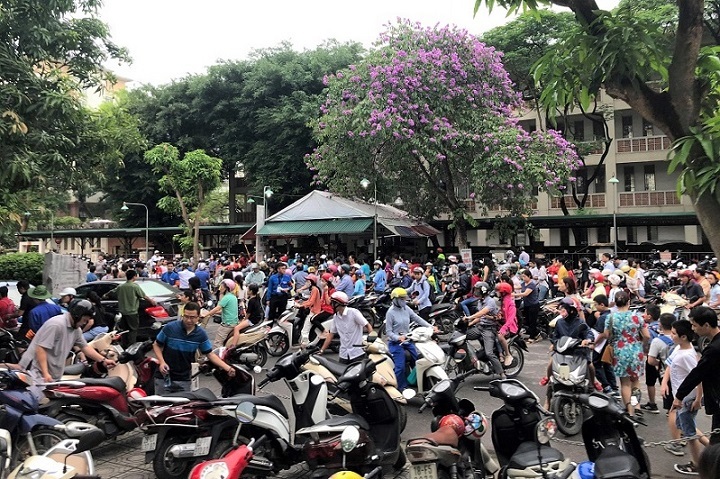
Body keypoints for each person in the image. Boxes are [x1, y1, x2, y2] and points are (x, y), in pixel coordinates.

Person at [18, 299, 116, 393]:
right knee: (34, 403)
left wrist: (103, 360)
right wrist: (45, 373)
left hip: (51, 373)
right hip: (35, 370)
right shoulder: (56, 325)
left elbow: (85, 347)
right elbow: (41, 349)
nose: (84, 323)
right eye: (84, 320)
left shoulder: (76, 330)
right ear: (77, 315)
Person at [153, 302, 236, 394]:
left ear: (198, 317)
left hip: (183, 380)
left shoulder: (200, 334)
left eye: (192, 317)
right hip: (163, 378)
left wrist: (228, 368)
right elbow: (156, 345)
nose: (189, 320)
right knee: (161, 406)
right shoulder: (170, 328)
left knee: (183, 407)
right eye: (186, 316)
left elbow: (210, 354)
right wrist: (162, 362)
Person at [662, 319, 707, 475]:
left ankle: (697, 465)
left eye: (674, 333)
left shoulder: (687, 355)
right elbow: (670, 366)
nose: (671, 335)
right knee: (688, 428)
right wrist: (664, 382)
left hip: (687, 399)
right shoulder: (679, 349)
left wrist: (698, 399)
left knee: (690, 434)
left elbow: (699, 377)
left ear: (683, 337)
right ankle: (711, 448)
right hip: (682, 398)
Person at [674, 306, 720, 446]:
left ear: (706, 325)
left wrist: (679, 396)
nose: (693, 329)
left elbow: (697, 374)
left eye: (694, 325)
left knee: (716, 446)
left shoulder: (713, 349)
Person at [600, 291, 650, 416]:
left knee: (625, 383)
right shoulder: (637, 317)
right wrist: (639, 343)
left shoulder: (611, 317)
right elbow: (647, 335)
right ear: (629, 302)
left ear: (615, 303)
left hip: (620, 351)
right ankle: (636, 405)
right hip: (636, 351)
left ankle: (630, 410)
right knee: (636, 380)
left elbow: (606, 335)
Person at [385, 288, 434, 389]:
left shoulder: (406, 308)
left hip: (407, 341)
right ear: (395, 299)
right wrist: (398, 337)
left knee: (419, 361)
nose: (404, 301)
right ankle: (400, 388)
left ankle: (420, 383)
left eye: (404, 298)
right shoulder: (390, 313)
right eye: (401, 299)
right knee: (400, 367)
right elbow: (388, 332)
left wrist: (431, 327)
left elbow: (417, 318)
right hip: (395, 344)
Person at [464, 282, 504, 378]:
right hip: (480, 327)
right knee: (463, 336)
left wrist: (469, 317)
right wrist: (469, 323)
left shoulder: (490, 301)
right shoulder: (480, 301)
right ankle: (474, 359)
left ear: (483, 290)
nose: (476, 291)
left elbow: (482, 313)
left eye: (477, 289)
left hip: (489, 330)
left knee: (489, 353)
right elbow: (480, 317)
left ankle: (501, 373)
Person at [319, 291, 372, 363]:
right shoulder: (336, 317)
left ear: (338, 303)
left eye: (333, 303)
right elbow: (330, 335)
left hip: (357, 354)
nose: (331, 305)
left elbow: (368, 325)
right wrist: (322, 350)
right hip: (343, 355)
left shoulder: (353, 313)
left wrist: (371, 341)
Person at [114, 269, 156, 347]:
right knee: (133, 330)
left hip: (123, 312)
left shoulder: (120, 286)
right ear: (134, 277)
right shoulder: (134, 286)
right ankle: (132, 347)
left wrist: (104, 296)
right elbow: (143, 296)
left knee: (124, 330)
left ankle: (124, 345)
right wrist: (152, 301)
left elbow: (111, 293)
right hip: (132, 312)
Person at [640, 306, 670, 414]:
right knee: (666, 382)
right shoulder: (663, 327)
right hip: (666, 360)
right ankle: (669, 406)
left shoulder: (648, 329)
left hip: (652, 357)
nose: (643, 314)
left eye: (645, 312)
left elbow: (648, 342)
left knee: (650, 382)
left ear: (649, 316)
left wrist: (644, 350)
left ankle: (652, 403)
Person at [590, 295, 618, 393]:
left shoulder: (603, 318)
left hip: (601, 345)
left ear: (602, 305)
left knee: (596, 363)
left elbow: (601, 334)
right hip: (609, 343)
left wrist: (594, 343)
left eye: (596, 305)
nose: (595, 307)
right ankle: (613, 386)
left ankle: (606, 386)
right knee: (607, 364)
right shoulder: (611, 314)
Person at [202, 279, 239, 350]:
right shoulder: (233, 297)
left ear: (227, 288)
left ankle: (218, 359)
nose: (220, 288)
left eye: (221, 287)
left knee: (217, 344)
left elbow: (217, 308)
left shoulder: (226, 298)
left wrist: (206, 314)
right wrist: (211, 313)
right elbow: (226, 310)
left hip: (227, 324)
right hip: (233, 323)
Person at [514, 269, 541, 343]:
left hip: (533, 305)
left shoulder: (531, 284)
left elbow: (525, 294)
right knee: (527, 321)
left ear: (529, 276)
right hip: (527, 305)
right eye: (522, 277)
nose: (523, 278)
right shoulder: (523, 284)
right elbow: (518, 287)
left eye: (525, 276)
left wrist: (514, 294)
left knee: (532, 321)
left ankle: (532, 337)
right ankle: (537, 333)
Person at [495, 282, 517, 366]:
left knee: (500, 336)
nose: (497, 292)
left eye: (498, 291)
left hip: (510, 327)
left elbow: (510, 319)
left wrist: (504, 328)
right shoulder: (503, 301)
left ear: (503, 292)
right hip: (503, 324)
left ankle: (508, 354)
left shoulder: (511, 304)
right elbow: (502, 312)